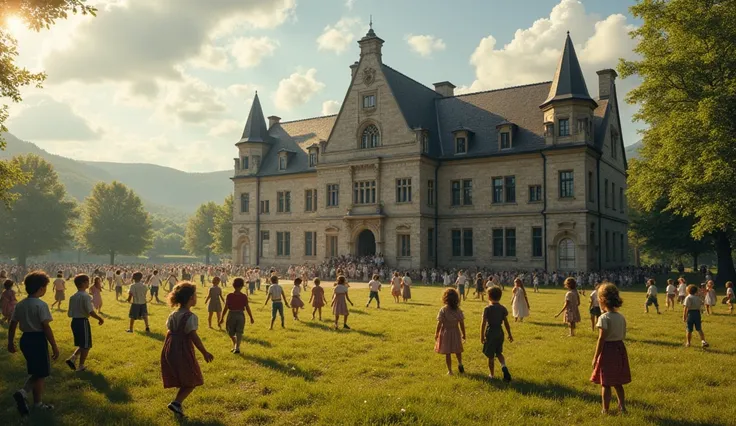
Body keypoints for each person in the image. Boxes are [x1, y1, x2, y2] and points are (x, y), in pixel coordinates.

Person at [7, 271, 59, 415]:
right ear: (41, 288)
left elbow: (12, 324)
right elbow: (46, 326)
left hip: (25, 340)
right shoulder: (41, 305)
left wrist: (10, 342)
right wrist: (54, 345)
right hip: (38, 339)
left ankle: (34, 401)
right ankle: (26, 394)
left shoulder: (20, 304)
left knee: (37, 371)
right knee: (41, 373)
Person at [161, 282, 214, 417]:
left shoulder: (173, 314)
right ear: (191, 298)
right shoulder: (190, 317)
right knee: (192, 379)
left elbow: (170, 331)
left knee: (183, 377)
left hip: (170, 348)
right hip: (183, 350)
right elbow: (193, 336)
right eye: (195, 295)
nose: (196, 297)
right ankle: (176, 403)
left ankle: (178, 406)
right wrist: (204, 352)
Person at [590, 283, 630, 415]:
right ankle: (622, 406)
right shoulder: (621, 317)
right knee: (618, 381)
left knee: (606, 383)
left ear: (601, 300)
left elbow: (601, 338)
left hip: (608, 350)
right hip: (619, 348)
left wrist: (595, 357)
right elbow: (623, 334)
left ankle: (605, 409)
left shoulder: (603, 318)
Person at [65, 274, 104, 372]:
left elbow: (69, 312)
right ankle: (81, 366)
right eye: (87, 281)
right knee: (86, 345)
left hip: (74, 322)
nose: (88, 283)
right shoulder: (86, 296)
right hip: (82, 322)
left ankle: (73, 359)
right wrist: (99, 318)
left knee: (82, 343)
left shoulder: (73, 296)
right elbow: (90, 311)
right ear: (83, 283)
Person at [481, 286, 513, 382]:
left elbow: (483, 323)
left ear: (489, 297)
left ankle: (492, 374)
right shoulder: (502, 308)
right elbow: (506, 323)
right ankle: (503, 366)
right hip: (500, 331)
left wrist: (481, 335)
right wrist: (509, 334)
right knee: (499, 352)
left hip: (491, 332)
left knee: (490, 355)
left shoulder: (487, 309)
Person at [434, 288, 466, 375]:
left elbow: (439, 323)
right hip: (455, 332)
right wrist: (463, 334)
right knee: (457, 350)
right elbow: (461, 323)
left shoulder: (443, 310)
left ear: (445, 298)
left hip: (446, 333)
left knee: (447, 352)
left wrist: (436, 333)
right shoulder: (458, 310)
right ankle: (460, 363)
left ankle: (450, 371)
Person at [219, 278, 253, 354]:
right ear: (242, 286)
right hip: (240, 315)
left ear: (233, 285)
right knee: (237, 332)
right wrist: (251, 317)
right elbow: (247, 307)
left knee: (233, 332)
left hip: (232, 314)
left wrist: (222, 318)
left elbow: (226, 307)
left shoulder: (230, 296)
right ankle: (236, 346)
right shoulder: (241, 296)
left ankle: (236, 347)